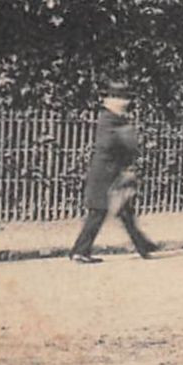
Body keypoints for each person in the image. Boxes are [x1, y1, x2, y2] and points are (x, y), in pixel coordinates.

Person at [70, 79, 158, 263]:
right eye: (118, 97)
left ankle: (142, 245)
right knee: (98, 213)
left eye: (125, 98)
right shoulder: (108, 119)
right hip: (104, 175)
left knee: (124, 210)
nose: (123, 102)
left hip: (114, 173)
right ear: (108, 100)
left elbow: (128, 146)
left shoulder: (117, 120)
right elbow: (109, 145)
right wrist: (125, 137)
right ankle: (80, 251)